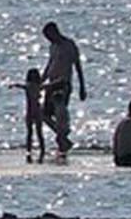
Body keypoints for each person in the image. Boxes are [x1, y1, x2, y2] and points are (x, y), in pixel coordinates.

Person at [40, 21, 85, 161]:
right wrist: (41, 80)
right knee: (43, 114)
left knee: (60, 113)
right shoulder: (52, 47)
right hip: (51, 83)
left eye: (49, 36)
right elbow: (50, 64)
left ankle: (63, 139)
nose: (49, 39)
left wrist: (82, 87)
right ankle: (63, 138)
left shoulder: (69, 45)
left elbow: (77, 65)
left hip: (63, 84)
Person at [11, 68, 47, 163]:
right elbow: (21, 86)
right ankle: (29, 150)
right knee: (30, 132)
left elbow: (48, 86)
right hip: (30, 111)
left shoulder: (38, 86)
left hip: (37, 111)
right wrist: (14, 85)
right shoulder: (29, 86)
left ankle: (42, 149)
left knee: (39, 132)